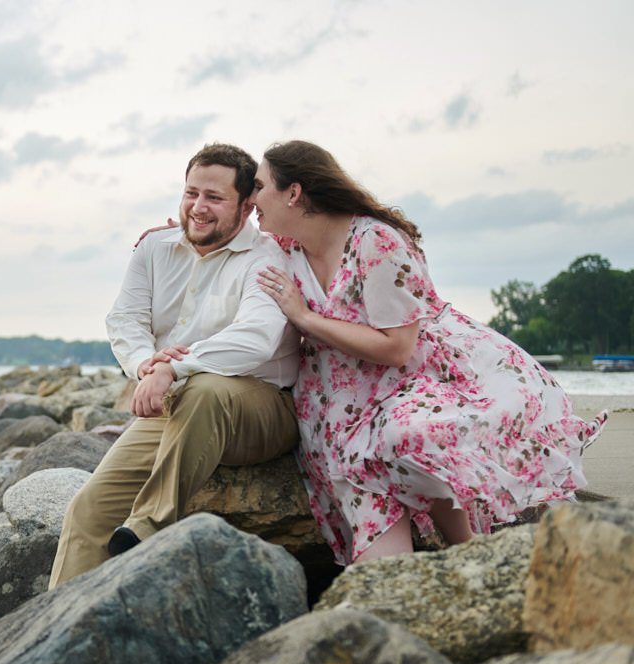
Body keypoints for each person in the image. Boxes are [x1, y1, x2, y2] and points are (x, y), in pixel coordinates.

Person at [251, 140, 606, 565]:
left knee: (410, 438)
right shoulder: (284, 249)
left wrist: (306, 319)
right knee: (383, 574)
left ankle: (475, 557)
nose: (252, 199)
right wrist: (171, 237)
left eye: (258, 186)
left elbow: (399, 348)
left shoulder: (376, 241)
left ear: (293, 193)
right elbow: (223, 244)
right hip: (338, 414)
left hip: (414, 382)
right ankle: (463, 572)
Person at [48, 143, 301, 589]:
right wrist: (148, 366)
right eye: (191, 193)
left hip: (261, 408)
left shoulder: (266, 257)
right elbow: (125, 318)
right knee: (90, 509)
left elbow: (257, 338)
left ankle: (148, 526)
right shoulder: (154, 248)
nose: (198, 208)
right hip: (177, 404)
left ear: (246, 206)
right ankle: (56, 629)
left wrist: (174, 369)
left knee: (205, 390)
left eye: (214, 198)